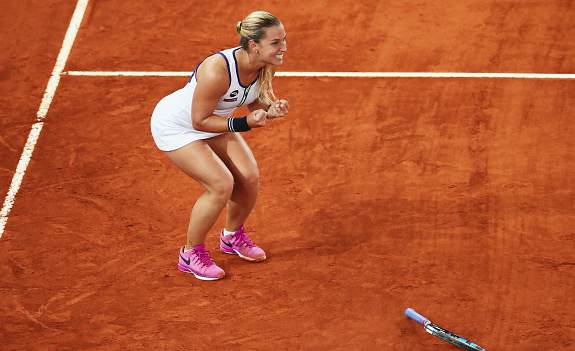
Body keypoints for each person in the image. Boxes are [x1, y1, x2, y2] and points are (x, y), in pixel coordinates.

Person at [150, 11, 289, 281]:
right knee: (221, 184)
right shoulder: (217, 69)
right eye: (276, 42)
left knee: (249, 177)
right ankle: (190, 253)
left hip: (214, 122)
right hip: (178, 126)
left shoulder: (264, 63)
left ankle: (232, 238)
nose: (283, 47)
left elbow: (253, 101)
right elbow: (199, 120)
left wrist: (270, 109)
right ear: (253, 44)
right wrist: (245, 123)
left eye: (284, 40)